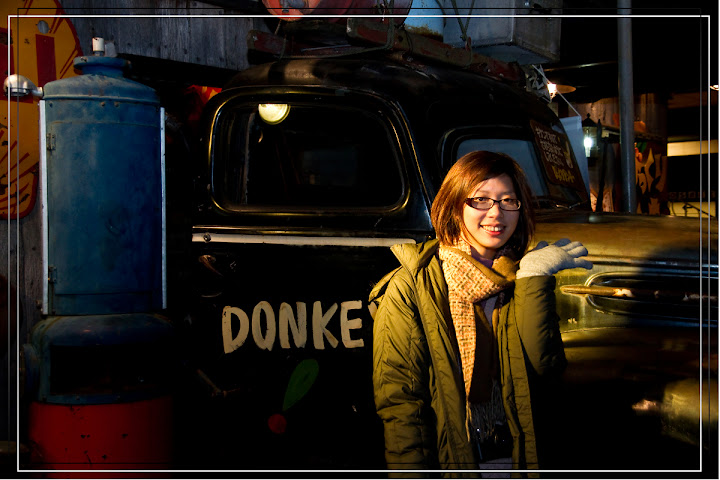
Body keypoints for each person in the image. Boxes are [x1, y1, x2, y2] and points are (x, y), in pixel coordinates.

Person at [369, 151, 592, 477]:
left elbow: (545, 367)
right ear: (455, 206)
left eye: (508, 200)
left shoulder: (521, 276)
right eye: (481, 199)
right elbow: (402, 405)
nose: (496, 212)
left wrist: (534, 275)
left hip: (515, 461)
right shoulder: (412, 285)